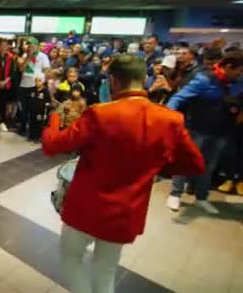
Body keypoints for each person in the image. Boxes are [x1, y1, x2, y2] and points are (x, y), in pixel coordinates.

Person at [42, 54, 205, 293]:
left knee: (70, 260)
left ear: (113, 80)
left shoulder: (100, 114)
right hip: (126, 213)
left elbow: (53, 145)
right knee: (105, 271)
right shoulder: (170, 120)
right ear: (144, 79)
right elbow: (195, 164)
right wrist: (155, 167)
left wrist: (55, 118)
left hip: (86, 207)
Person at [166, 50, 243, 214]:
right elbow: (178, 98)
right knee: (186, 161)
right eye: (239, 70)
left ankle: (201, 197)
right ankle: (175, 194)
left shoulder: (239, 82)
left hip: (222, 132)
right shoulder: (204, 79)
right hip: (197, 129)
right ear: (229, 66)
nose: (240, 74)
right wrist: (169, 117)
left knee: (208, 166)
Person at [17, 38, 50, 137]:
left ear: (37, 46)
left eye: (32, 45)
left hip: (35, 86)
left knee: (33, 109)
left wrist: (43, 82)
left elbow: (47, 70)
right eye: (29, 45)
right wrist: (28, 56)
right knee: (24, 109)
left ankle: (32, 131)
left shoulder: (43, 56)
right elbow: (21, 68)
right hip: (24, 84)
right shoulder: (24, 55)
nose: (30, 47)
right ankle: (22, 128)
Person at [28, 76, 52, 143]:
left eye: (39, 81)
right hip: (32, 110)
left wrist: (47, 106)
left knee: (38, 124)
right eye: (36, 81)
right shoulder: (32, 89)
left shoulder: (45, 91)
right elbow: (29, 99)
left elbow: (48, 101)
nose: (37, 83)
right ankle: (31, 136)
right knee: (32, 123)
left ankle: (38, 136)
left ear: (43, 81)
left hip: (40, 112)